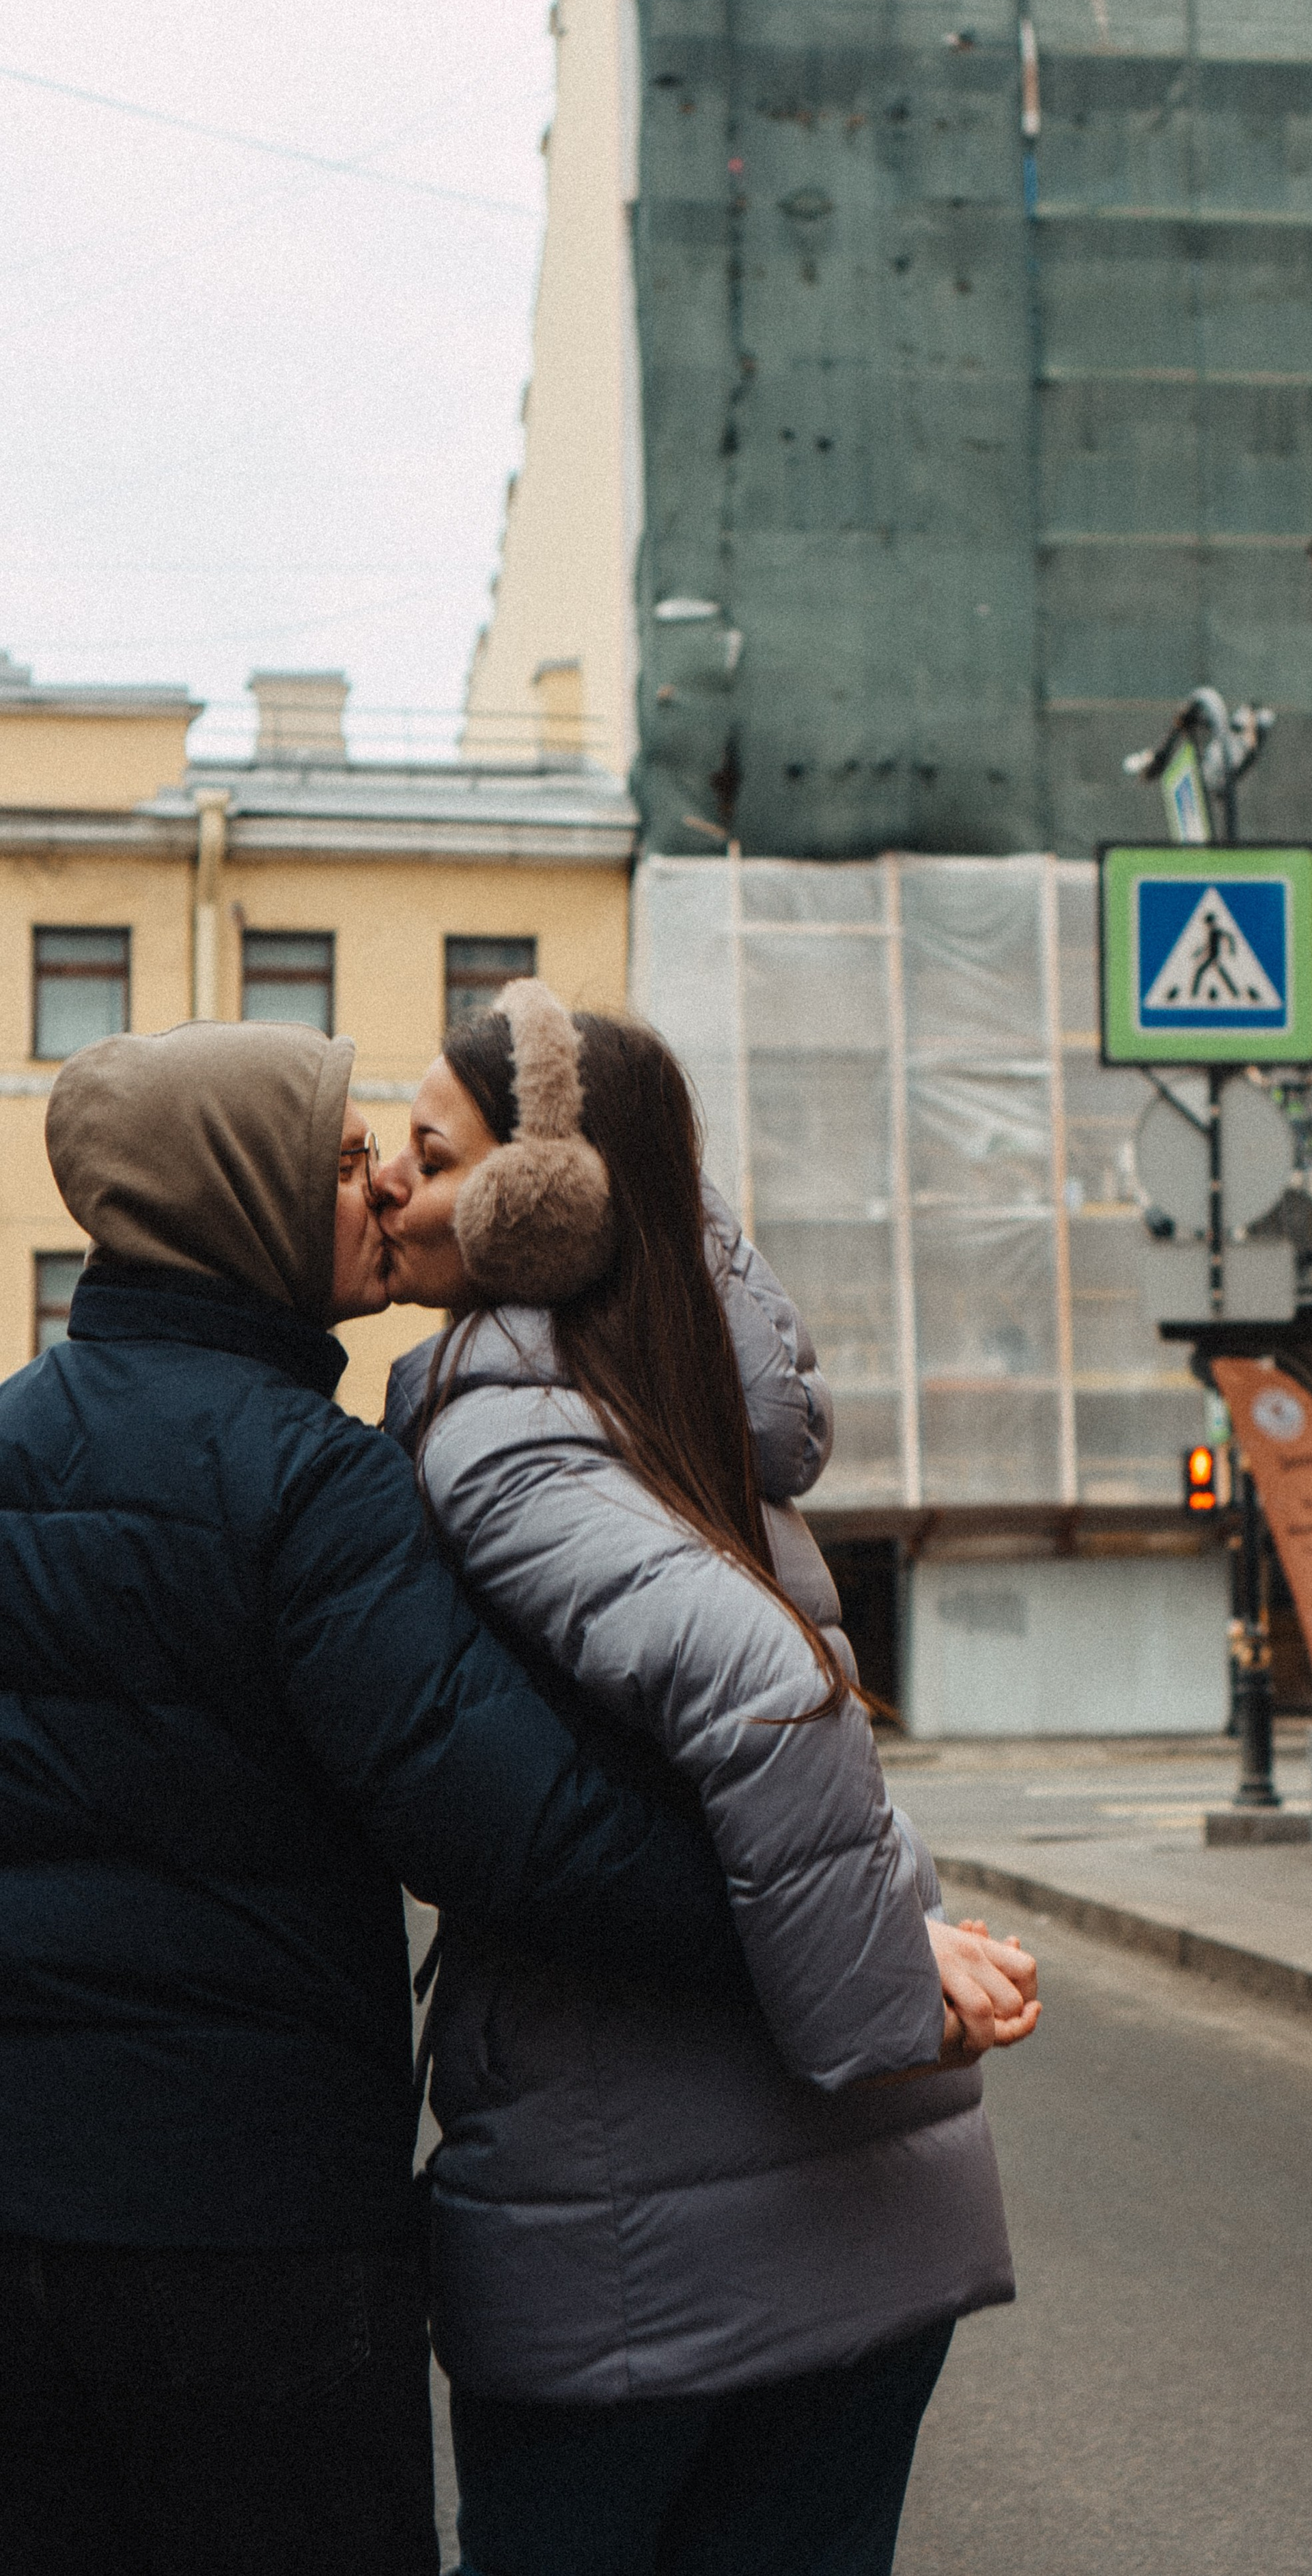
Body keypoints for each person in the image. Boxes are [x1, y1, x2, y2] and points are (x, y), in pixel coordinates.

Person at [0, 1019, 766, 2576]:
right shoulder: (310, 1480)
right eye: (343, 1170)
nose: (386, 1201)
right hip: (254, 2234)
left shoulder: (7, 1441)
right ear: (238, 1207)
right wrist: (789, 1921)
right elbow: (509, 1824)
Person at [374, 979, 1038, 2576]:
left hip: (641, 2263)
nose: (392, 1183)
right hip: (852, 2238)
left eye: (432, 1154)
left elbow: (760, 1695)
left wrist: (876, 2002)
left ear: (546, 1207)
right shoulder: (665, 1399)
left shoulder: (507, 1425)